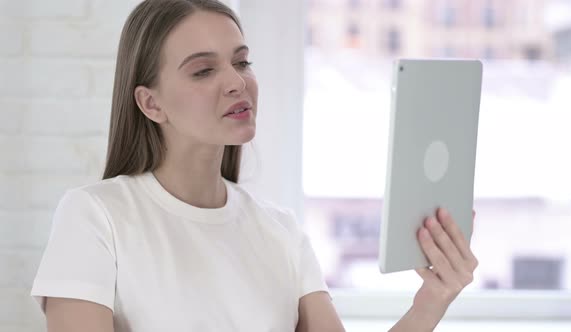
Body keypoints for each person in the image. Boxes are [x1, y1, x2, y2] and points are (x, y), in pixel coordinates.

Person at [30, 0, 479, 331]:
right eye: (203, 70)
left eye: (241, 62)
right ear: (151, 103)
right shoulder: (95, 215)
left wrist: (432, 299)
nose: (235, 82)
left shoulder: (280, 231)